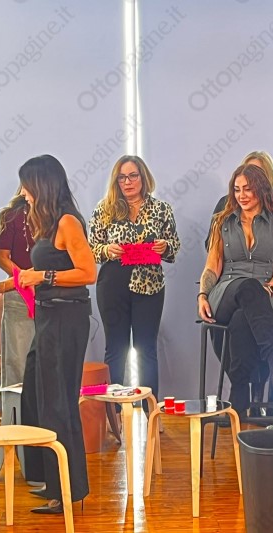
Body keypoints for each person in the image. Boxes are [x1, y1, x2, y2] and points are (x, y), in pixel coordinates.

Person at [0, 154, 96, 514]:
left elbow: (88, 272)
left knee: (58, 402)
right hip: (47, 315)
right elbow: (31, 276)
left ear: (41, 185)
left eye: (27, 185)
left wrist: (43, 277)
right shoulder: (45, 222)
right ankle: (50, 479)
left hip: (65, 317)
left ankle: (69, 490)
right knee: (35, 396)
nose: (23, 192)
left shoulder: (68, 222)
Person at [197, 164, 273, 411]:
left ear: (260, 189)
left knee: (242, 318)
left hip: (263, 297)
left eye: (247, 189)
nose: (241, 195)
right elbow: (212, 266)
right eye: (237, 189)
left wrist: (271, 287)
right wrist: (203, 294)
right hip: (226, 293)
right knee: (248, 286)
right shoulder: (222, 222)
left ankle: (238, 398)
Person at [89, 155, 180, 405]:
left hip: (149, 286)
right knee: (115, 348)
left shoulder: (161, 209)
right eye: (122, 178)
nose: (127, 182)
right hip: (113, 285)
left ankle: (151, 411)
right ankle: (114, 412)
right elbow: (91, 248)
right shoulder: (104, 209)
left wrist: (165, 246)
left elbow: (174, 245)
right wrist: (107, 250)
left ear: (143, 177)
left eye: (132, 176)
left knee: (146, 349)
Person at [0, 188, 36, 446]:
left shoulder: (60, 217)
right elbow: (2, 258)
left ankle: (41, 426)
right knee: (18, 365)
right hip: (19, 294)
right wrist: (25, 279)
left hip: (51, 294)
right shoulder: (12, 216)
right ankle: (17, 430)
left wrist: (43, 278)